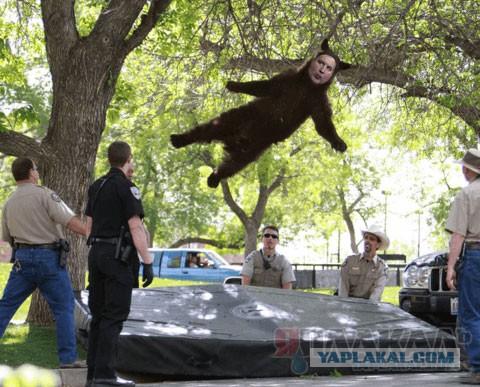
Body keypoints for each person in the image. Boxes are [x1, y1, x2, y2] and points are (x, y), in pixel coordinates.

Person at [0, 157, 87, 368]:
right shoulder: (45, 194)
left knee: (6, 307)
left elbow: (5, 241)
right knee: (64, 308)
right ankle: (68, 359)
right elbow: (68, 220)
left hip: (21, 261)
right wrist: (88, 232)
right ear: (31, 172)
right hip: (49, 259)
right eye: (36, 169)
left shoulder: (9, 202)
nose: (37, 172)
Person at [85, 141, 154, 387]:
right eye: (132, 161)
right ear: (128, 159)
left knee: (98, 316)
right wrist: (147, 262)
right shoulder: (127, 188)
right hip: (117, 257)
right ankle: (106, 376)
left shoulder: (96, 186)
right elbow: (135, 227)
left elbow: (89, 228)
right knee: (114, 317)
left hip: (96, 254)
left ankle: (93, 376)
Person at [445, 148, 480, 385]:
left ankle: (478, 368)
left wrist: (450, 267)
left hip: (476, 257)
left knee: (473, 314)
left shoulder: (466, 195)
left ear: (467, 170)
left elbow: (457, 235)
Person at [338, 225, 389, 302]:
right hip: (348, 305)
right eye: (366, 237)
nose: (367, 240)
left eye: (371, 239)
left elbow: (375, 296)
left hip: (368, 309)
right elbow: (343, 291)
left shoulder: (382, 268)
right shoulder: (349, 261)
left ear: (378, 244)